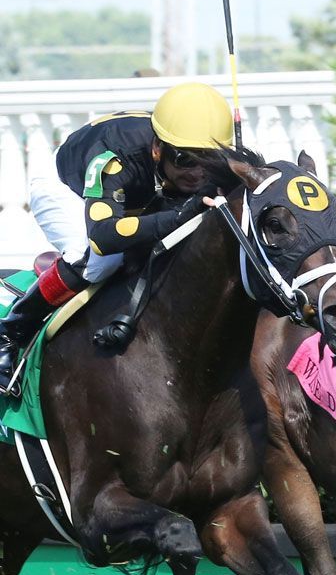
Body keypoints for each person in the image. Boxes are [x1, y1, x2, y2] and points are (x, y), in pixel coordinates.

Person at [0, 81, 233, 395]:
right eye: (184, 159)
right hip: (67, 187)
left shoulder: (186, 162)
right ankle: (11, 331)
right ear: (157, 148)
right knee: (97, 261)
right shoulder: (115, 159)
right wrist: (178, 217)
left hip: (138, 190)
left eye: (209, 159)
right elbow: (103, 236)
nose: (197, 172)